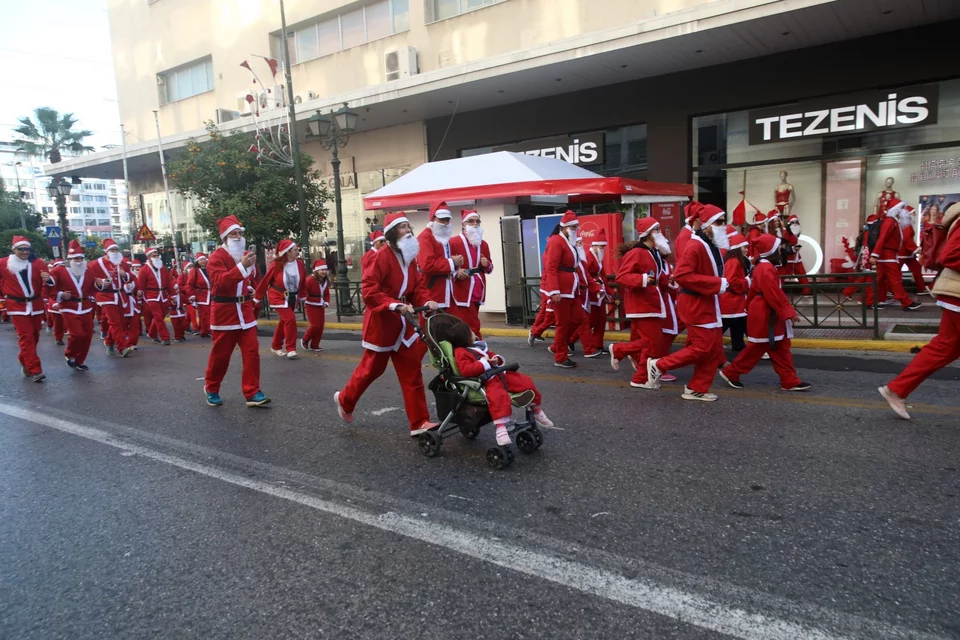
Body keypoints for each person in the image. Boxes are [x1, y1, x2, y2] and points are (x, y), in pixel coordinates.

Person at [334, 211, 440, 436]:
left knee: (412, 371)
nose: (408, 231)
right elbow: (370, 291)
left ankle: (419, 422)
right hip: (382, 323)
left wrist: (427, 301)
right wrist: (394, 305)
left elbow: (417, 288)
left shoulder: (409, 257)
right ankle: (345, 399)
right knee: (371, 370)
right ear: (392, 233)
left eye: (408, 227)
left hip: (404, 325)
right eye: (402, 228)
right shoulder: (380, 256)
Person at [879, 202, 960, 419]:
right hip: (955, 293)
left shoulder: (900, 223)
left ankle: (897, 389)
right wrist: (878, 254)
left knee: (945, 347)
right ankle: (901, 301)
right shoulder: (892, 222)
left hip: (903, 260)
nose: (911, 213)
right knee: (891, 282)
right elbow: (950, 255)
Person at [647, 205, 730, 402]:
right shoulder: (695, 245)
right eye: (719, 222)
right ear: (707, 224)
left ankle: (696, 388)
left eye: (724, 221)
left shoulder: (710, 244)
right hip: (697, 304)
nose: (723, 226)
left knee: (713, 351)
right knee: (702, 348)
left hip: (708, 303)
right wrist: (717, 284)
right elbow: (683, 275)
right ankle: (658, 365)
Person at [719, 234, 810, 392]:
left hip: (766, 313)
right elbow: (773, 293)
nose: (782, 250)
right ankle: (732, 372)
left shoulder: (764, 266)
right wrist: (788, 312)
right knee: (761, 348)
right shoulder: (766, 268)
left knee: (778, 347)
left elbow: (757, 291)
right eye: (779, 247)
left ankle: (789, 380)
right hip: (766, 314)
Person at [444, 318, 553, 445]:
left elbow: (490, 354)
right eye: (469, 331)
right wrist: (483, 362)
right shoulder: (461, 352)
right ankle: (501, 429)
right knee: (498, 396)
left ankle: (536, 409)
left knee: (524, 381)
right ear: (465, 337)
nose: (473, 332)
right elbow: (466, 370)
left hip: (497, 373)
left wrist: (495, 359)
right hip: (484, 380)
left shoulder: (477, 347)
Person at [203, 215, 270, 407]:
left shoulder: (245, 255)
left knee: (252, 352)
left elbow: (250, 279)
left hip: (245, 311)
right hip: (225, 313)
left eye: (240, 233)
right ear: (224, 237)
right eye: (233, 234)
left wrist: (252, 291)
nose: (238, 237)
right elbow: (220, 282)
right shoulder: (216, 257)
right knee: (221, 355)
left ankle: (252, 392)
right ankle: (212, 387)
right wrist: (242, 266)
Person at [609, 217, 670, 388]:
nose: (660, 232)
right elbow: (622, 277)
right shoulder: (637, 252)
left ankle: (623, 353)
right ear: (648, 233)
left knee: (647, 341)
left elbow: (658, 278)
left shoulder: (655, 252)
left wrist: (669, 281)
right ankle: (640, 378)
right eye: (656, 229)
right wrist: (642, 279)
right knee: (653, 343)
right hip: (642, 304)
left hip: (651, 302)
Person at [0, 236, 50, 381]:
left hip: (35, 305)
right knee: (26, 337)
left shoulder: (37, 263)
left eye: (27, 249)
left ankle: (24, 359)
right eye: (21, 249)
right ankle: (35, 370)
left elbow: (50, 283)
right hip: (16, 306)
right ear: (14, 249)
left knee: (34, 336)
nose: (25, 252)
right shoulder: (3, 263)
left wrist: (48, 278)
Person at [540, 210, 582, 369]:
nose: (575, 229)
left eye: (576, 226)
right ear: (563, 227)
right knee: (562, 323)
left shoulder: (569, 242)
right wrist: (554, 290)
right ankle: (560, 356)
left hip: (572, 288)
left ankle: (557, 346)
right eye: (572, 226)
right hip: (562, 289)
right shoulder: (556, 241)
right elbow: (551, 267)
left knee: (578, 318)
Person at [45, 240, 95, 371]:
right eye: (76, 258)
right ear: (70, 259)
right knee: (78, 334)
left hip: (85, 306)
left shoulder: (88, 271)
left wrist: (101, 284)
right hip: (69, 307)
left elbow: (93, 286)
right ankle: (70, 354)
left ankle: (79, 361)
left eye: (80, 258)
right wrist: (61, 295)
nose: (79, 261)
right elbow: (49, 288)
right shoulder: (58, 271)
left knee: (88, 335)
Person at [254, 238, 306, 359]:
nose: (297, 251)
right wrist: (257, 297)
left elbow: (302, 281)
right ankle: (291, 348)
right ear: (287, 252)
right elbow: (265, 281)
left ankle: (276, 345)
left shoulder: (299, 263)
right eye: (295, 250)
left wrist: (303, 295)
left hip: (293, 297)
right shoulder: (276, 264)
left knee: (284, 321)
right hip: (278, 296)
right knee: (290, 320)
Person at [447, 209, 493, 338]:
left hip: (478, 289)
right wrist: (455, 272)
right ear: (463, 224)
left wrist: (487, 264)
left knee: (471, 322)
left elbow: (490, 268)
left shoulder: (483, 244)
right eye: (471, 221)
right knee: (471, 324)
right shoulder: (453, 242)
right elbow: (444, 265)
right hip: (462, 289)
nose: (475, 224)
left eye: (478, 221)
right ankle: (475, 350)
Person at [870, 199, 922, 312]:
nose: (904, 211)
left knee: (880, 279)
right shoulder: (890, 221)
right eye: (901, 208)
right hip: (888, 255)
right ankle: (906, 302)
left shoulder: (892, 222)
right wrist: (875, 254)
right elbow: (882, 238)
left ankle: (870, 301)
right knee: (895, 279)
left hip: (888, 255)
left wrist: (876, 254)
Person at [87, 238, 135, 357]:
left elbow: (131, 278)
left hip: (120, 295)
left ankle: (109, 342)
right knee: (114, 322)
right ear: (106, 251)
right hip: (106, 296)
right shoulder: (95, 264)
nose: (114, 252)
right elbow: (89, 279)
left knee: (121, 322)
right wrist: (100, 282)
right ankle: (122, 348)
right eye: (112, 250)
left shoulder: (122, 263)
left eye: (116, 249)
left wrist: (125, 275)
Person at [418, 201, 464, 313]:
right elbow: (427, 265)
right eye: (441, 219)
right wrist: (452, 262)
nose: (445, 223)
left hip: (446, 293)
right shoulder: (425, 237)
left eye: (447, 219)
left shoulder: (443, 236)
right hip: (432, 293)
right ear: (433, 219)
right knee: (431, 328)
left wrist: (456, 266)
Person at [576, 231, 608, 358]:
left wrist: (608, 290)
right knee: (591, 320)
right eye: (601, 247)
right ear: (594, 245)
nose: (603, 249)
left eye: (604, 247)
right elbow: (586, 276)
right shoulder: (588, 257)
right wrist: (595, 286)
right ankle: (570, 341)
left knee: (600, 319)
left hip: (597, 290)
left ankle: (597, 345)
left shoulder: (598, 257)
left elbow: (603, 274)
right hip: (590, 292)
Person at [720, 232, 751, 353]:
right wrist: (747, 281)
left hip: (732, 300)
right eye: (745, 247)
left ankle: (739, 345)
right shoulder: (735, 262)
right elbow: (732, 282)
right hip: (732, 300)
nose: (747, 250)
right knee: (739, 323)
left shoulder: (733, 260)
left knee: (738, 324)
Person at [138, 246, 173, 345]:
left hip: (163, 295)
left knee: (161, 316)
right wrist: (140, 296)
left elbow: (169, 283)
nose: (157, 257)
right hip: (151, 296)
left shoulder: (163, 268)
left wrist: (173, 296)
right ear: (149, 257)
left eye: (157, 255)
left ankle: (152, 333)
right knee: (158, 316)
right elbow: (140, 285)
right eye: (154, 256)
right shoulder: (144, 270)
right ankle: (165, 337)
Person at [301, 261, 330, 352]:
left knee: (320, 326)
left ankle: (315, 344)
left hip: (321, 305)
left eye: (325, 269)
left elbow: (327, 294)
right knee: (315, 325)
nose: (324, 272)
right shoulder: (310, 280)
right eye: (322, 270)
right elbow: (304, 290)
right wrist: (304, 298)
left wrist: (326, 302)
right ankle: (305, 340)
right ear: (317, 271)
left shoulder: (324, 281)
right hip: (311, 305)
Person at [898, 222, 929, 296]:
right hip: (904, 252)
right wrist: (915, 249)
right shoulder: (906, 225)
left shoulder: (902, 224)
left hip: (904, 253)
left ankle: (921, 288)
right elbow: (907, 239)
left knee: (916, 269)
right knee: (896, 273)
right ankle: (891, 290)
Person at [186, 253, 212, 337]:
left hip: (210, 294)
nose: (203, 261)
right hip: (200, 296)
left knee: (204, 315)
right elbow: (189, 284)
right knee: (207, 314)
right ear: (197, 261)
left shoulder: (209, 269)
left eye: (204, 259)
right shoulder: (195, 270)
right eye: (201, 260)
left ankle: (203, 332)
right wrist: (191, 295)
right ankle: (210, 330)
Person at [168, 260, 190, 342]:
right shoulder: (170, 297)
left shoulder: (181, 296)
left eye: (177, 290)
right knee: (176, 326)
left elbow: (186, 300)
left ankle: (182, 335)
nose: (176, 291)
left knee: (183, 325)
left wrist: (191, 300)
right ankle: (177, 337)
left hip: (181, 312)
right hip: (174, 313)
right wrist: (171, 303)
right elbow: (167, 303)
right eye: (175, 290)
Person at [45, 259, 65, 345]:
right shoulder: (51, 278)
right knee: (57, 322)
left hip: (72, 304)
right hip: (55, 303)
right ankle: (58, 337)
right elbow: (49, 292)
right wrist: (54, 303)